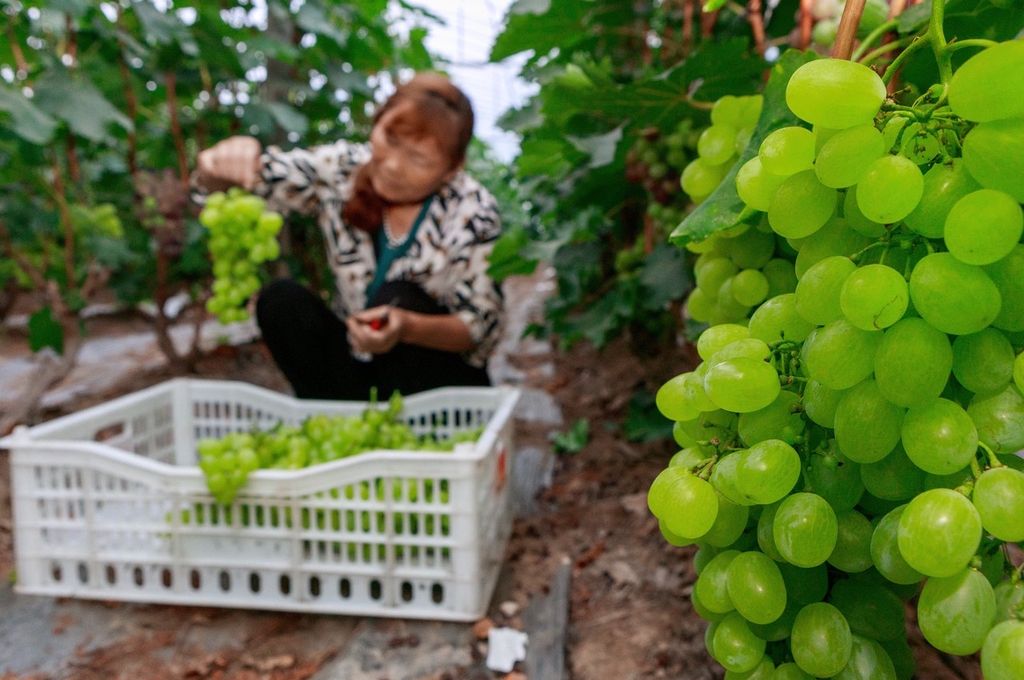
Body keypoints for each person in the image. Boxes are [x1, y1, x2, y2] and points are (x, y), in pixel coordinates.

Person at [193, 73, 504, 401]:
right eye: (390, 139)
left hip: (435, 384)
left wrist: (406, 326)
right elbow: (253, 177)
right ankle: (336, 421)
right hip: (359, 366)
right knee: (281, 302)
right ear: (377, 121)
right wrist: (220, 166)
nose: (394, 165)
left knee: (398, 295)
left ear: (452, 168)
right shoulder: (341, 170)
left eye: (419, 159)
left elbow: (478, 327)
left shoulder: (473, 210)